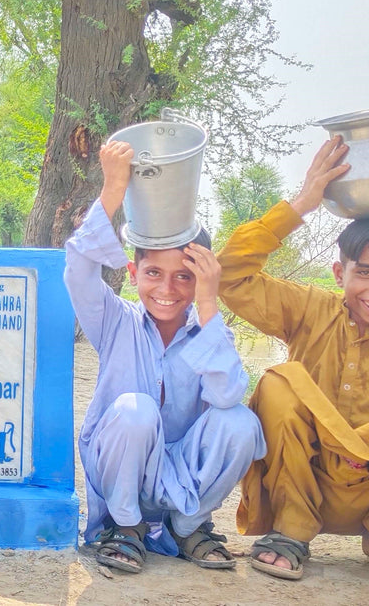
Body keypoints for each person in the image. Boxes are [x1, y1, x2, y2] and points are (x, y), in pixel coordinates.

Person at [219, 136, 369, 588]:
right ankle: (291, 534)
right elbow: (230, 274)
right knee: (280, 383)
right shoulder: (309, 309)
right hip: (307, 482)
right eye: (366, 272)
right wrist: (301, 204)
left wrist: (367, 450)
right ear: (340, 273)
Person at [65, 140, 266, 574]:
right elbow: (78, 267)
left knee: (240, 422)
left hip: (182, 473)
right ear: (133, 273)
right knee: (135, 410)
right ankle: (126, 528)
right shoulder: (114, 321)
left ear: (203, 280)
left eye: (185, 277)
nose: (167, 289)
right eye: (153, 273)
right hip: (122, 470)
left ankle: (187, 526)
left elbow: (227, 394)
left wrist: (210, 305)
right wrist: (114, 187)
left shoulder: (210, 331)